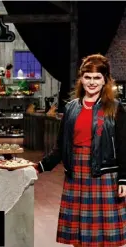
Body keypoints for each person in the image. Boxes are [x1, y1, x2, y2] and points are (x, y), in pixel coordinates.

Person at [35, 54, 126, 247]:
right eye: (88, 77)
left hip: (105, 175)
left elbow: (123, 146)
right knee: (78, 237)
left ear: (105, 80)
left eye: (97, 78)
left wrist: (124, 179)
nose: (92, 82)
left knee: (103, 240)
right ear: (81, 78)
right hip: (76, 173)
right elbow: (61, 147)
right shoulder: (71, 108)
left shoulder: (115, 109)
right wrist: (39, 167)